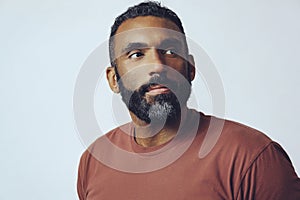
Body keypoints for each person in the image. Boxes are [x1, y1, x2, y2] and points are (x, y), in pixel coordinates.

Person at [77, 1, 300, 199]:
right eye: (136, 54)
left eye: (171, 51)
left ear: (190, 69)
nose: (157, 65)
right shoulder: (93, 162)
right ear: (114, 79)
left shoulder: (253, 158)